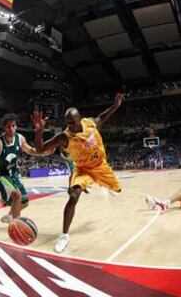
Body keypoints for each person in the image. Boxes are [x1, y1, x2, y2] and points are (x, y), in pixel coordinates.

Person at [32, 93, 125, 253]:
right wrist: (39, 131)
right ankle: (64, 236)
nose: (70, 127)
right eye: (67, 124)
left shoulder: (89, 123)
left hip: (101, 166)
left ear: (80, 119)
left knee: (118, 190)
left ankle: (102, 183)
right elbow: (40, 149)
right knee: (73, 196)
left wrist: (115, 106)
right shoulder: (64, 137)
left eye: (73, 123)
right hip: (82, 169)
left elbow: (101, 117)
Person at [0, 113, 53, 223]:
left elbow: (30, 150)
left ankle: (11, 215)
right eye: (8, 126)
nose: (11, 128)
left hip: (13, 174)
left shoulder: (19, 138)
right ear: (4, 128)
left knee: (24, 202)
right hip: (0, 175)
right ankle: (16, 224)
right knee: (17, 195)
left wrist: (44, 153)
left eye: (13, 126)